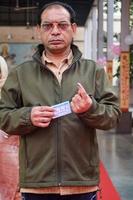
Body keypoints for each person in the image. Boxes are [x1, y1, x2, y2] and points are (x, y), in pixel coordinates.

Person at [0, 2, 121, 200]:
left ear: (73, 29)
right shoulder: (21, 74)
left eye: (62, 25)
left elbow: (113, 116)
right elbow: (2, 115)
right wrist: (27, 116)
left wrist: (90, 109)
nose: (55, 31)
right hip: (36, 183)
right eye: (48, 26)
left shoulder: (93, 72)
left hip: (81, 183)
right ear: (39, 30)